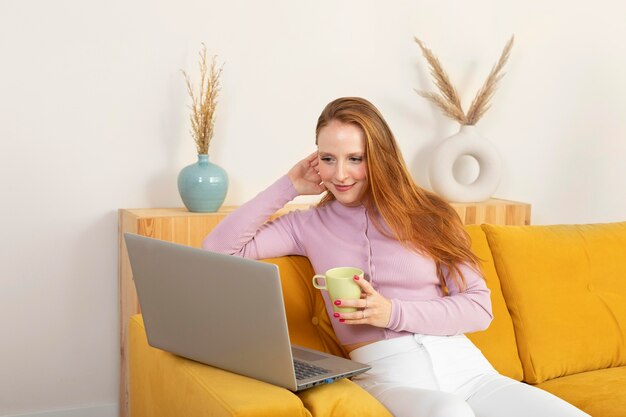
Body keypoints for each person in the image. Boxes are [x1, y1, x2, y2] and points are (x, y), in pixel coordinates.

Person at [202, 97, 589, 417]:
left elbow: (479, 307)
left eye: (355, 158)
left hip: (469, 370)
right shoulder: (308, 225)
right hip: (389, 372)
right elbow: (218, 250)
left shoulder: (430, 213)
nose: (341, 175)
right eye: (328, 158)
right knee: (449, 413)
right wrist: (287, 186)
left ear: (380, 156)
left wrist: (392, 312)